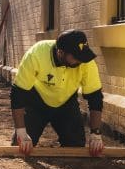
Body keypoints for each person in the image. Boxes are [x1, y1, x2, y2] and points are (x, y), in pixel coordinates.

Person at [10, 29, 105, 157]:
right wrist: (21, 132)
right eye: (75, 56)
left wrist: (96, 133)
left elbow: (95, 98)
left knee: (76, 146)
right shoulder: (37, 54)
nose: (80, 61)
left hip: (66, 103)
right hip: (36, 102)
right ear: (61, 52)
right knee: (20, 147)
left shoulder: (85, 61)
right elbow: (18, 94)